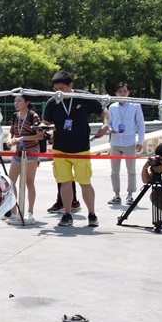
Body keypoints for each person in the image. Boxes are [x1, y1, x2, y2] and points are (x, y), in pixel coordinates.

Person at [41, 70, 108, 228]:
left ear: (71, 85)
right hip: (60, 149)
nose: (58, 92)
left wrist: (105, 125)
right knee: (65, 182)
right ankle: (67, 214)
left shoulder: (83, 97)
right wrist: (41, 127)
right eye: (55, 89)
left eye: (62, 88)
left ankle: (92, 214)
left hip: (81, 148)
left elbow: (103, 111)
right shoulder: (52, 102)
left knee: (85, 182)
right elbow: (46, 122)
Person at [106, 81, 145, 206]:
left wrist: (140, 141)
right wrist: (110, 129)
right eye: (119, 91)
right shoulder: (112, 106)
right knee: (114, 171)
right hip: (115, 142)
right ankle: (116, 194)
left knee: (131, 170)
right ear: (116, 93)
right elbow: (109, 123)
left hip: (129, 142)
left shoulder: (135, 105)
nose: (122, 94)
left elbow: (140, 124)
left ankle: (130, 194)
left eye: (124, 91)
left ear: (128, 92)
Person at [7, 93, 44, 223]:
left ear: (27, 102)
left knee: (29, 182)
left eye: (19, 101)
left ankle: (30, 213)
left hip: (31, 152)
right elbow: (11, 132)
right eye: (15, 101)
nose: (16, 103)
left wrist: (22, 138)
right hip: (18, 152)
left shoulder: (33, 116)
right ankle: (14, 212)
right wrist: (10, 139)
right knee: (11, 181)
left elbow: (40, 135)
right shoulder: (15, 116)